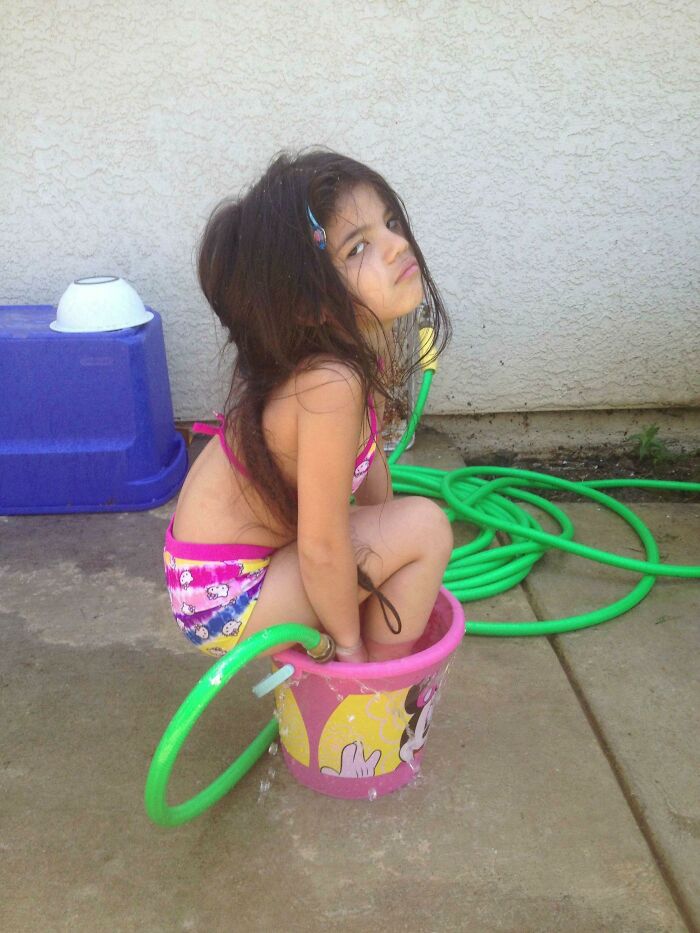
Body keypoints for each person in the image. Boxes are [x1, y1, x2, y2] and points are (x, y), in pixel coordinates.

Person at [163, 148, 454, 664]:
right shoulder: (329, 382)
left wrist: (387, 528)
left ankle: (367, 665)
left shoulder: (362, 349)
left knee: (406, 528)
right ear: (310, 304)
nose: (394, 245)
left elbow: (369, 467)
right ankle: (375, 691)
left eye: (389, 222)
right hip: (228, 595)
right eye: (357, 247)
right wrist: (348, 645)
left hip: (238, 570)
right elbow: (321, 546)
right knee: (426, 527)